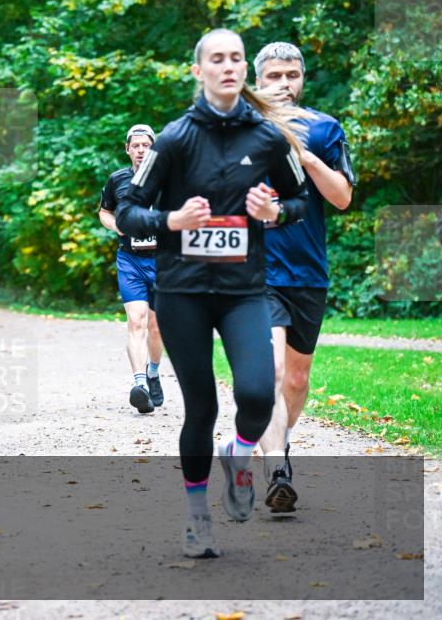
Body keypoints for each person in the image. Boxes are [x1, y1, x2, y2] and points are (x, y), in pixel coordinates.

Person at [116, 28, 310, 558]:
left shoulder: (269, 139)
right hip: (183, 292)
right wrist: (171, 219)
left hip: (245, 289)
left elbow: (301, 201)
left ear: (244, 70)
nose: (228, 67)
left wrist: (276, 212)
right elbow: (131, 210)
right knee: (199, 408)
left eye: (236, 59)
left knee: (255, 394)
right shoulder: (175, 139)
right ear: (198, 71)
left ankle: (239, 452)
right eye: (216, 59)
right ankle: (198, 519)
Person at [252, 42, 355, 513]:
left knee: (296, 379)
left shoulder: (325, 128)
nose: (284, 84)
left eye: (292, 74)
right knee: (271, 371)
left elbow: (342, 198)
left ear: (303, 78)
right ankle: (277, 468)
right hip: (255, 273)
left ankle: (280, 439)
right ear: (258, 81)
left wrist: (307, 157)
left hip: (308, 272)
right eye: (273, 76)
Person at [98, 124, 166, 413]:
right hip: (130, 260)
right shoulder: (118, 180)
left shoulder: (168, 178)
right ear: (127, 150)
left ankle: (152, 372)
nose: (140, 150)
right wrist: (118, 227)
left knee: (156, 327)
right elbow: (104, 211)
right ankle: (139, 386)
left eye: (145, 145)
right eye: (135, 146)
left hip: (163, 260)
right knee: (136, 321)